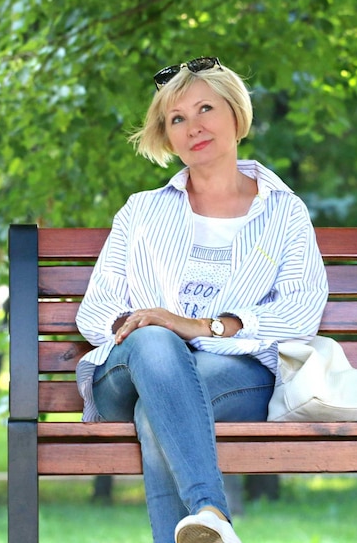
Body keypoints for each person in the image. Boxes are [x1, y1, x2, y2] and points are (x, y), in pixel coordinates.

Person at [75, 57, 329, 543]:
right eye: (177, 119)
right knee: (155, 346)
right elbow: (97, 310)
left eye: (205, 108)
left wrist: (206, 327)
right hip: (125, 375)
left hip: (234, 375)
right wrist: (159, 329)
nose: (194, 127)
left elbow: (300, 312)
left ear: (236, 114)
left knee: (159, 408)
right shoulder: (142, 211)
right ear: (167, 137)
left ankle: (205, 523)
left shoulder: (284, 212)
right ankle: (211, 509)